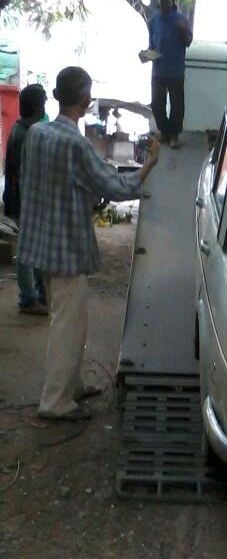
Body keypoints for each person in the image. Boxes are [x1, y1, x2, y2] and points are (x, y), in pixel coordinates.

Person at [17, 66, 161, 422]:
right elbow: (117, 188)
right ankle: (56, 402)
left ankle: (72, 385)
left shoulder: (37, 134)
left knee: (62, 320)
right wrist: (151, 163)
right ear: (85, 100)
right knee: (70, 327)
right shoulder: (75, 144)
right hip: (66, 250)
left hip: (39, 246)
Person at [2, 84, 48, 314]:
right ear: (38, 107)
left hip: (19, 201)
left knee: (31, 250)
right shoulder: (26, 134)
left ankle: (38, 294)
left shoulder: (20, 130)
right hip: (24, 203)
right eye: (44, 103)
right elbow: (22, 177)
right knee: (26, 253)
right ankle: (29, 299)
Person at [147, 0, 192, 150]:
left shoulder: (180, 20)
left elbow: (188, 42)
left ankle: (174, 135)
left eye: (166, 1)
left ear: (172, 3)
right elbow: (151, 44)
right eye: (162, 2)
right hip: (158, 71)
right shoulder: (154, 20)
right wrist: (147, 55)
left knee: (177, 105)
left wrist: (182, 31)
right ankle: (164, 132)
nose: (164, 4)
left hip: (175, 70)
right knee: (156, 104)